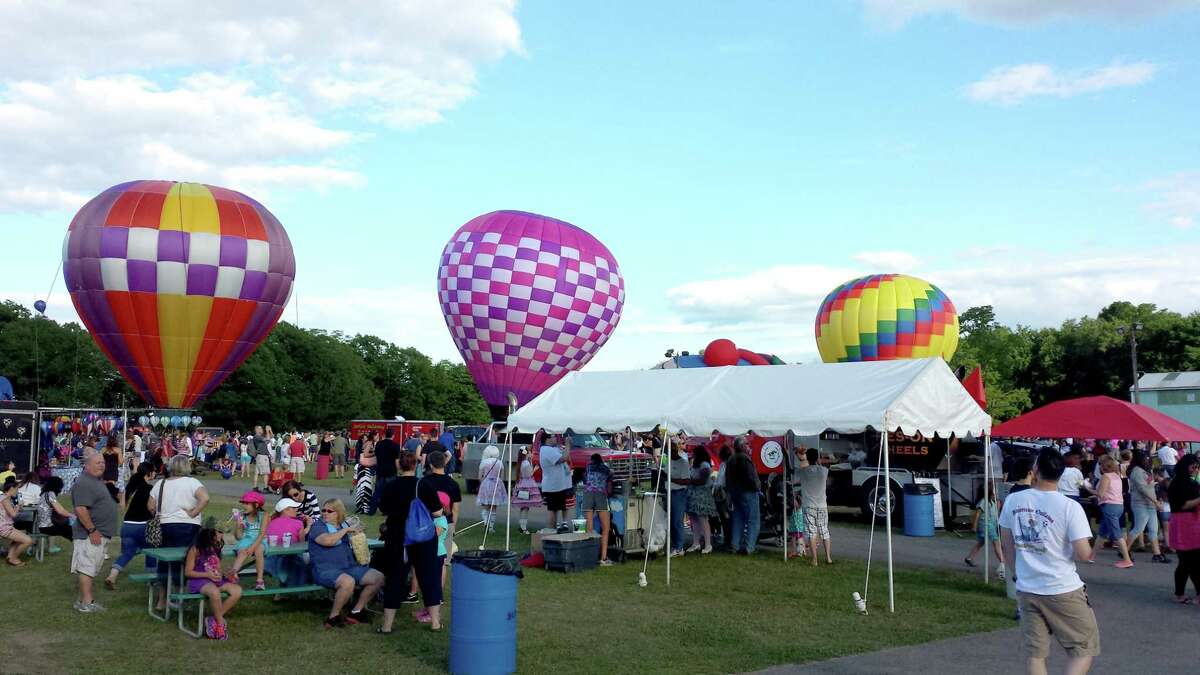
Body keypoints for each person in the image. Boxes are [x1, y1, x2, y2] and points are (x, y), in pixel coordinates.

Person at [999, 450, 1099, 675]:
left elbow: (1007, 544)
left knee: (1036, 654)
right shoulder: (1070, 506)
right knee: (1083, 647)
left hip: (1027, 587)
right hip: (1062, 586)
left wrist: (1018, 573)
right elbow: (1084, 554)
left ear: (1034, 471)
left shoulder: (1014, 500)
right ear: (1061, 474)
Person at [308, 498, 385, 629]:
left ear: (338, 513)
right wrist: (345, 531)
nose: (325, 513)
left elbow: (358, 533)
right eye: (323, 510)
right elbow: (327, 541)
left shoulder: (343, 525)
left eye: (329, 511)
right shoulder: (318, 526)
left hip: (348, 566)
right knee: (347, 582)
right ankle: (333, 617)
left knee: (378, 577)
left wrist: (358, 531)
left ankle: (356, 612)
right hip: (325, 569)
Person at [152, 455, 209, 611]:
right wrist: (194, 512)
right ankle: (181, 596)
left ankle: (162, 599)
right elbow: (205, 498)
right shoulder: (192, 483)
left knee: (164, 561)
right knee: (186, 561)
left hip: (165, 525)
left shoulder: (161, 483)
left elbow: (150, 506)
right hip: (188, 526)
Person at [378, 453, 423, 634]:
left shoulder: (391, 485)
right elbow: (436, 510)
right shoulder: (422, 485)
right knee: (425, 574)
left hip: (396, 533)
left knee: (394, 577)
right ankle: (435, 620)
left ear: (399, 465)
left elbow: (383, 508)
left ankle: (387, 625)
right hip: (419, 534)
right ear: (415, 466)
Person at [71, 452, 118, 612]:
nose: (102, 465)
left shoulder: (95, 481)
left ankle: (83, 599)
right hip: (90, 534)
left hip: (100, 532)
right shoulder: (84, 482)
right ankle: (86, 602)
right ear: (87, 465)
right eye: (98, 463)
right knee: (87, 567)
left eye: (103, 462)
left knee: (91, 567)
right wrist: (92, 530)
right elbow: (80, 508)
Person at [105, 462, 158, 590]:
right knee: (151, 551)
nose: (155, 473)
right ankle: (151, 579)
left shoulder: (131, 487)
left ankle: (112, 575)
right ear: (148, 473)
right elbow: (152, 508)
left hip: (127, 526)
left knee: (127, 553)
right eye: (154, 471)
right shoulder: (149, 489)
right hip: (143, 526)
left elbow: (122, 506)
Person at [184, 525, 242, 639]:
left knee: (237, 591)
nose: (221, 535)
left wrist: (228, 573)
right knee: (214, 592)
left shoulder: (215, 548)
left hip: (214, 580)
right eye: (219, 532)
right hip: (199, 580)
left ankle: (213, 619)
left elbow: (218, 568)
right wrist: (207, 574)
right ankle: (220, 624)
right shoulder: (195, 550)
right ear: (209, 535)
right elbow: (188, 572)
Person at [1167, 454, 1200, 604]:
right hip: (1184, 524)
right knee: (1188, 562)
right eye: (1193, 466)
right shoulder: (1179, 484)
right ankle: (1181, 594)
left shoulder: (1188, 482)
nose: (1195, 469)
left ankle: (1183, 594)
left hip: (1190, 523)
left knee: (1189, 562)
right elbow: (1183, 505)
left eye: (1197, 466)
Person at [1090, 456, 1133, 568]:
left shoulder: (1106, 476)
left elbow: (1100, 494)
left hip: (1109, 506)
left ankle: (1127, 559)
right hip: (1118, 505)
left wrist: (1086, 487)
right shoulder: (1117, 476)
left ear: (1103, 467)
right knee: (1102, 533)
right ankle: (1091, 556)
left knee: (1117, 534)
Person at [1126, 449, 1168, 563]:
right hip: (1141, 504)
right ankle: (1124, 551)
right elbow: (1143, 489)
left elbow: (1148, 485)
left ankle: (1157, 554)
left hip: (1150, 503)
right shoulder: (1136, 471)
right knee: (1138, 528)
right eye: (1145, 458)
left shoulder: (1145, 470)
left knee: (1154, 529)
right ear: (1140, 459)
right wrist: (1156, 502)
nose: (1147, 460)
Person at [796, 447, 832, 566]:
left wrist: (800, 456)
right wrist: (818, 461)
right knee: (824, 531)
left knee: (812, 533)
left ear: (807, 457)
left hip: (808, 505)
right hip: (822, 505)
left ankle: (815, 559)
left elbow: (800, 464)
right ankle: (828, 557)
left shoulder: (803, 471)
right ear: (817, 458)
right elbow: (821, 465)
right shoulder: (823, 471)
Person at [725, 437, 761, 555]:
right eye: (746, 444)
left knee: (738, 519)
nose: (748, 446)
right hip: (748, 492)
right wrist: (757, 487)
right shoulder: (745, 459)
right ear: (741, 446)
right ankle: (749, 547)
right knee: (753, 520)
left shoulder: (730, 459)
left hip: (735, 492)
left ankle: (734, 545)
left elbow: (728, 478)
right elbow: (751, 476)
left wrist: (730, 492)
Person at [229, 490, 268, 590]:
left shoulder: (264, 515)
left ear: (256, 504)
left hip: (260, 540)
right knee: (242, 552)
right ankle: (234, 572)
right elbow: (239, 537)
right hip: (246, 539)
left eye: (247, 503)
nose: (244, 506)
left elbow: (262, 533)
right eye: (243, 503)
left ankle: (260, 580)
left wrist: (252, 547)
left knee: (259, 550)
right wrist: (238, 526)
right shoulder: (242, 517)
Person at [580, 453, 614, 565]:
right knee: (605, 528)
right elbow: (609, 490)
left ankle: (589, 556)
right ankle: (603, 558)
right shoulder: (607, 470)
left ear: (592, 460)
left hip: (588, 495)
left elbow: (585, 481)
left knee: (588, 529)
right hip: (600, 495)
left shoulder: (588, 468)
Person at [964, 489, 1005, 579]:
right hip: (985, 524)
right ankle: (1003, 562)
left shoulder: (992, 502)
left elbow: (995, 513)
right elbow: (977, 514)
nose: (995, 494)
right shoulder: (983, 501)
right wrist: (974, 526)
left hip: (991, 524)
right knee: (996, 542)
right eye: (993, 492)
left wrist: (998, 505)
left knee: (981, 542)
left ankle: (969, 558)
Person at [685, 447, 716, 555]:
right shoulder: (696, 465)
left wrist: (690, 481)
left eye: (694, 453)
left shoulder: (704, 465)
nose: (692, 455)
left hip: (702, 495)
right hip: (694, 494)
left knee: (703, 519)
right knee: (694, 519)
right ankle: (696, 543)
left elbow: (702, 480)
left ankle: (708, 544)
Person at [539, 434, 572, 532]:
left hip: (557, 485)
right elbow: (563, 459)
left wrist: (565, 448)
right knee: (552, 510)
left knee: (556, 509)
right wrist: (568, 444)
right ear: (547, 439)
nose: (556, 438)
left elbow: (566, 457)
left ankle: (553, 531)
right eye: (553, 436)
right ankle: (550, 531)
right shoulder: (546, 450)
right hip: (553, 486)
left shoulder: (552, 449)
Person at [35, 476, 73, 548]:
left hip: (44, 526)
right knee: (74, 531)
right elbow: (61, 511)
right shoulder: (50, 494)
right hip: (48, 527)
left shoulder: (44, 494)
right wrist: (73, 516)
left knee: (70, 530)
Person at [666, 442, 690, 557]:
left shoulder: (683, 463)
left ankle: (679, 547)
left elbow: (686, 481)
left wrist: (671, 479)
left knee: (677, 521)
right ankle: (674, 545)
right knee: (671, 521)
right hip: (669, 492)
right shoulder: (669, 461)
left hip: (679, 493)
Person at [511, 447, 542, 535]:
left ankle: (522, 526)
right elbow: (529, 474)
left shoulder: (521, 463)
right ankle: (523, 528)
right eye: (529, 452)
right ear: (526, 453)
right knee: (525, 507)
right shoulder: (526, 463)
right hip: (527, 485)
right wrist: (535, 469)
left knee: (523, 507)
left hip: (522, 484)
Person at [1, 478, 33, 566]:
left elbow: (10, 513)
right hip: (4, 527)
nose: (17, 491)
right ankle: (13, 558)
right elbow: (13, 515)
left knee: (18, 538)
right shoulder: (5, 499)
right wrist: (18, 506)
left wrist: (16, 507)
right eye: (16, 489)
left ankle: (10, 556)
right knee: (28, 541)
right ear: (11, 489)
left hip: (5, 526)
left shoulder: (4, 497)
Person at [476, 446, 507, 532]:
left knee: (485, 505)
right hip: (497, 485)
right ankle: (491, 527)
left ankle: (485, 523)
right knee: (494, 506)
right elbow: (502, 477)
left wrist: (483, 482)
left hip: (486, 484)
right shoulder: (500, 463)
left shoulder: (484, 462)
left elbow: (479, 477)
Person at [372, 431, 402, 514]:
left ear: (384, 435)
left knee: (377, 491)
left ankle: (372, 509)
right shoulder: (396, 445)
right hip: (391, 471)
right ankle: (387, 510)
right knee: (390, 492)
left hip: (380, 470)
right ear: (393, 435)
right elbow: (397, 460)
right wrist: (399, 470)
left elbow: (376, 456)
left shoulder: (379, 444)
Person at [713, 446, 732, 550]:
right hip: (722, 494)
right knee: (724, 519)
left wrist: (717, 485)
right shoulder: (723, 465)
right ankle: (727, 540)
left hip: (725, 495)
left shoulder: (727, 465)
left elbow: (722, 481)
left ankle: (728, 540)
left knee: (726, 518)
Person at [354, 437, 378, 514]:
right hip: (365, 468)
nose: (364, 440)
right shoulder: (369, 444)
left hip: (364, 468)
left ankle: (362, 506)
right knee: (365, 487)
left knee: (363, 487)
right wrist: (375, 453)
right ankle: (364, 506)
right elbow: (365, 454)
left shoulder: (366, 444)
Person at [251, 426, 271, 490]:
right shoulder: (257, 436)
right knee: (265, 472)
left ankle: (255, 487)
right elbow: (267, 439)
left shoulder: (259, 437)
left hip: (260, 456)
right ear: (257, 430)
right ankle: (265, 487)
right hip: (262, 456)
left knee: (257, 472)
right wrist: (267, 431)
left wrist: (270, 431)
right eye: (261, 428)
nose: (262, 430)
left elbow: (268, 441)